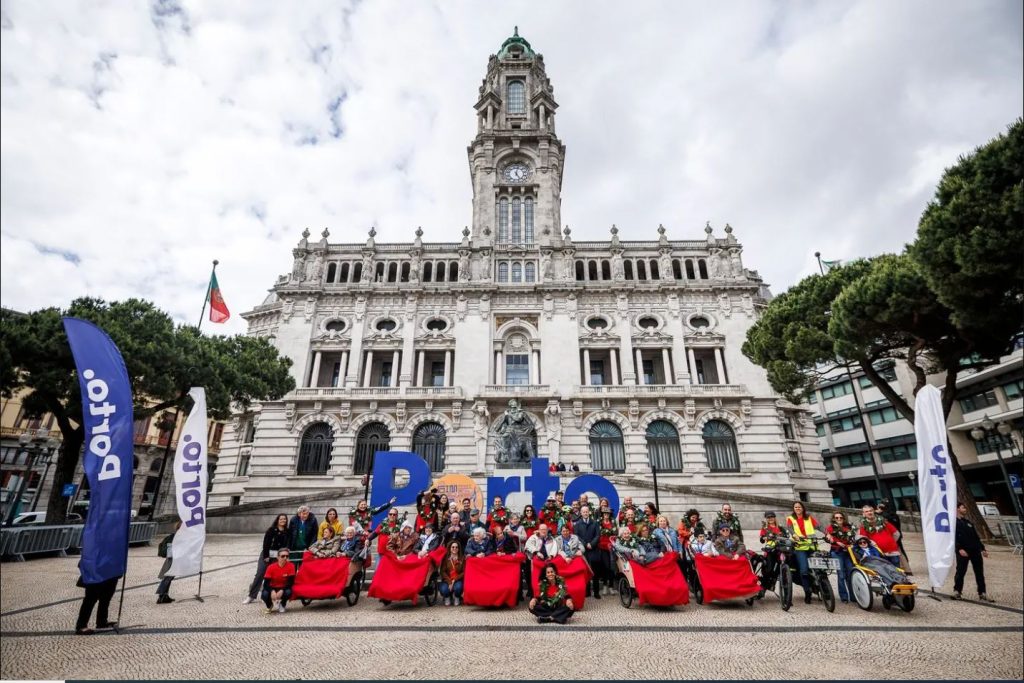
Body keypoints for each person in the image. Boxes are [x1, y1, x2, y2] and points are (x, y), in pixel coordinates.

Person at [244, 513, 292, 604]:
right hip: (266, 555)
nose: (283, 521)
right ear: (277, 520)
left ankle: (265, 595)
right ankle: (251, 596)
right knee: (260, 574)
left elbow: (287, 545)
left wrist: (284, 556)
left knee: (271, 577)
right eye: (281, 519)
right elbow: (265, 543)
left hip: (277, 557)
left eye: (284, 519)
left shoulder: (287, 531)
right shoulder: (271, 530)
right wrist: (266, 556)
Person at [953, 502, 994, 602]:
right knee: (961, 572)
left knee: (979, 572)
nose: (965, 509)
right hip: (963, 551)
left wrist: (982, 549)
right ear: (957, 509)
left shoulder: (968, 522)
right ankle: (957, 591)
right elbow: (952, 538)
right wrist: (959, 549)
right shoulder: (954, 523)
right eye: (963, 507)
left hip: (975, 551)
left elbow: (976, 537)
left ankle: (982, 593)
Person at [786, 501, 820, 604]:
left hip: (812, 546)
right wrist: (795, 535)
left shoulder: (808, 517)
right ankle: (807, 592)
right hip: (800, 547)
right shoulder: (790, 518)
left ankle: (824, 589)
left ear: (803, 508)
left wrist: (827, 534)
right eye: (795, 507)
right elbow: (790, 529)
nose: (797, 508)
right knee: (804, 571)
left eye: (799, 507)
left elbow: (818, 527)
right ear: (794, 509)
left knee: (820, 568)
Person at [75, 570, 120, 635]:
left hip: (111, 569)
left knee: (106, 597)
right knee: (90, 598)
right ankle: (81, 625)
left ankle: (102, 622)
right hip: (96, 568)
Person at [825, 511, 856, 604]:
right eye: (836, 518)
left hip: (848, 552)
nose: (839, 519)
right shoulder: (830, 528)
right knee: (841, 574)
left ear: (844, 518)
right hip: (837, 552)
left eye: (840, 518)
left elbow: (854, 538)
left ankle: (853, 596)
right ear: (833, 518)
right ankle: (844, 597)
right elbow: (827, 537)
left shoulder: (849, 527)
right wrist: (836, 541)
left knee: (850, 574)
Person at [574, 504, 602, 599]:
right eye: (583, 512)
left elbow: (598, 535)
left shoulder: (595, 523)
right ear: (581, 513)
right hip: (584, 550)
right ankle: (587, 592)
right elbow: (577, 536)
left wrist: (592, 544)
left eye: (587, 511)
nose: (585, 513)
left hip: (594, 550)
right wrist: (586, 544)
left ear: (589, 512)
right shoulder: (577, 524)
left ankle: (596, 592)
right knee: (585, 571)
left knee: (595, 572)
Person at [757, 512, 788, 595]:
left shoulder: (781, 528)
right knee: (769, 569)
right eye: (768, 517)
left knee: (781, 569)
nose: (770, 518)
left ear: (775, 518)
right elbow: (761, 540)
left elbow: (787, 536)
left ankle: (784, 593)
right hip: (770, 550)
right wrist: (764, 537)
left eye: (772, 517)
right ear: (766, 519)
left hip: (780, 550)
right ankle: (763, 587)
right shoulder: (765, 528)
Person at [877, 501, 911, 573]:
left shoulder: (882, 517)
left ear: (880, 508)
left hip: (891, 536)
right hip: (898, 534)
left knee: (896, 552)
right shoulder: (894, 515)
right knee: (900, 551)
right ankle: (907, 568)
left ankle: (901, 568)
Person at [261, 548, 296, 613]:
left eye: (287, 556)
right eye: (283, 556)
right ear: (278, 557)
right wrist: (272, 591)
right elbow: (266, 583)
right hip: (272, 586)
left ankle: (282, 604)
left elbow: (291, 582)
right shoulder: (271, 567)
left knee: (288, 592)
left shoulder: (291, 566)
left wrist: (282, 590)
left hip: (284, 587)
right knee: (264, 595)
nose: (285, 558)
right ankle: (269, 605)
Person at [155, 522, 179, 605]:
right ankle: (161, 596)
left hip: (173, 559)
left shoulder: (176, 535)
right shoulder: (176, 536)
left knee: (169, 578)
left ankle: (165, 595)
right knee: (167, 578)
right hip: (172, 559)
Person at [439, 541, 465, 606]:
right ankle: (447, 597)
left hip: (457, 580)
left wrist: (455, 580)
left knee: (458, 588)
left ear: (458, 549)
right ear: (450, 548)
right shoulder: (445, 558)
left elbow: (464, 572)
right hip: (447, 580)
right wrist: (449, 582)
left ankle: (457, 597)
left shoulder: (462, 558)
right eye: (453, 547)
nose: (454, 548)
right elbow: (442, 571)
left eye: (456, 547)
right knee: (444, 590)